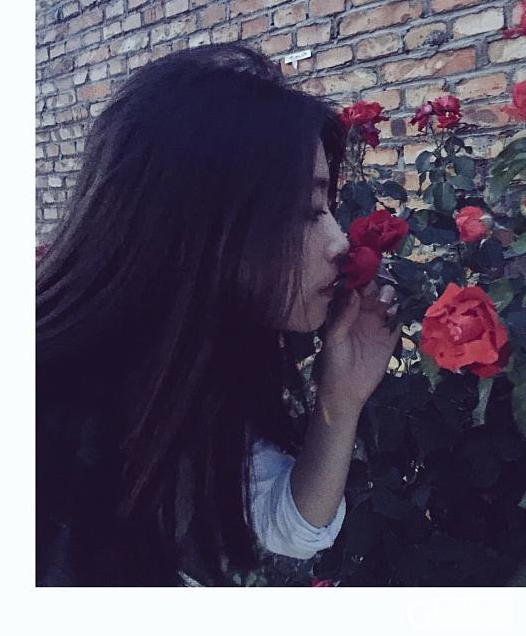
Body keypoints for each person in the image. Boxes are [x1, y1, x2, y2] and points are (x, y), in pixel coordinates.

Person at [36, 43, 400, 587]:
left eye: (327, 209)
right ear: (200, 222)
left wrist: (340, 399)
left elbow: (290, 526)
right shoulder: (44, 409)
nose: (339, 242)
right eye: (306, 211)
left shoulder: (205, 365)